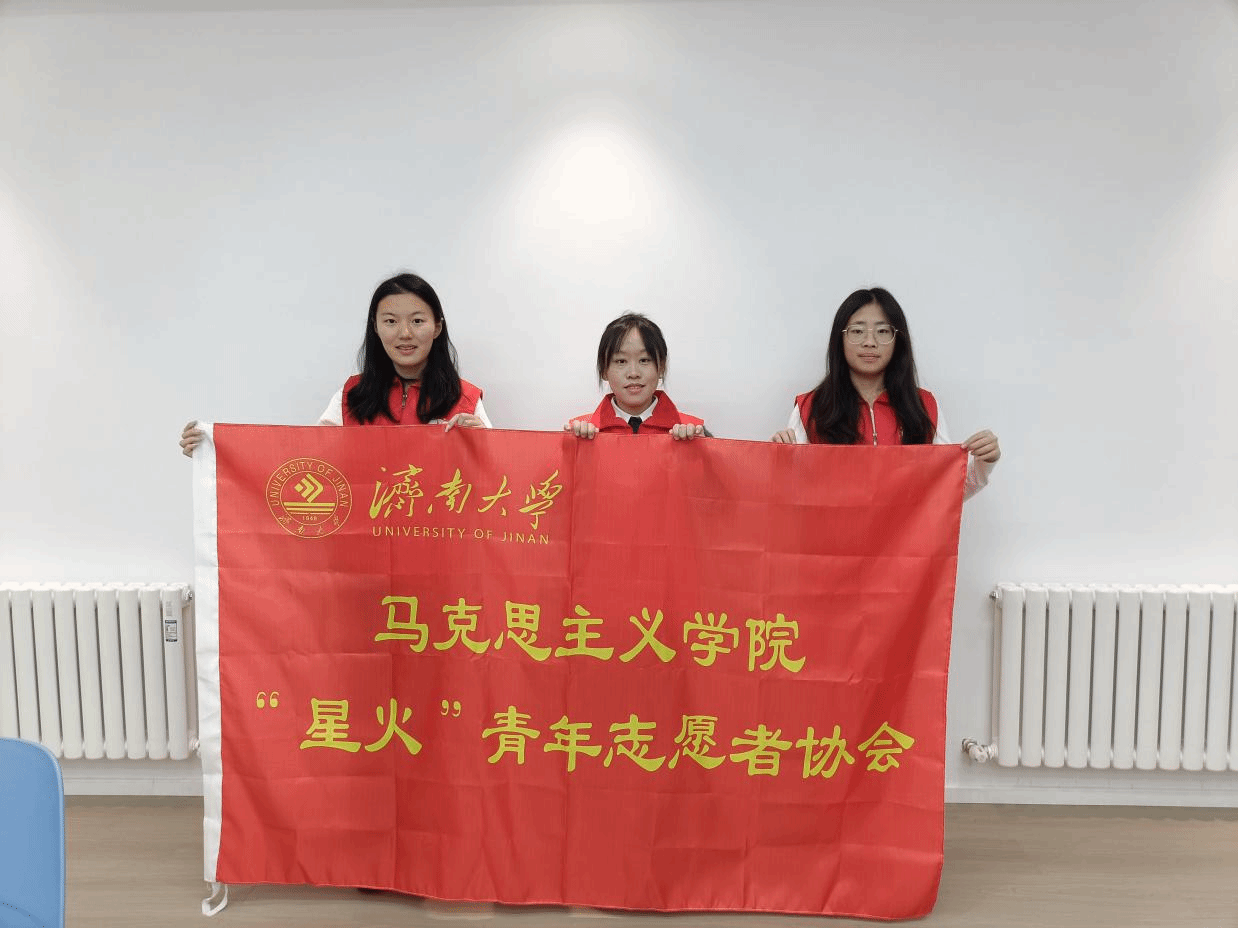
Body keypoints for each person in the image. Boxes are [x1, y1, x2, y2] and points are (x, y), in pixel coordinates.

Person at [180, 272, 488, 455]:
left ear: (437, 327)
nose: (405, 333)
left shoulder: (466, 399)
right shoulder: (352, 395)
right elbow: (305, 456)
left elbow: (498, 477)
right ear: (376, 327)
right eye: (391, 321)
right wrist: (217, 449)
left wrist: (483, 443)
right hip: (365, 536)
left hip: (436, 538)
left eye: (417, 321)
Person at [771, 287, 999, 499]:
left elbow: (944, 497)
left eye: (882, 331)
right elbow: (792, 496)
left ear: (897, 339)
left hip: (908, 533)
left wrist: (983, 463)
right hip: (833, 532)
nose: (870, 342)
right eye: (857, 331)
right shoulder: (811, 408)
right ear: (840, 339)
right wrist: (780, 462)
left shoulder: (924, 407)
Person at [564, 313, 707, 440]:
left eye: (644, 360)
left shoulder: (693, 431)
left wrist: (702, 448)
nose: (633, 373)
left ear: (662, 367)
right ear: (604, 370)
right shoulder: (580, 432)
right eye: (621, 361)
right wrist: (573, 446)